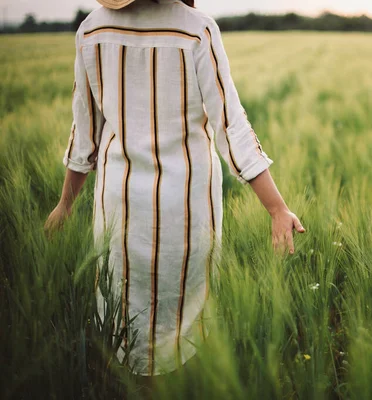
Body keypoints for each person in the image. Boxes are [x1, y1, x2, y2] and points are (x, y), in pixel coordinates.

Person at [44, 0, 305, 381]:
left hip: (119, 209)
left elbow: (85, 134)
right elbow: (232, 127)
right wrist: (277, 208)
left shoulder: (91, 30)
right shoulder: (196, 29)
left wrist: (65, 205)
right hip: (184, 211)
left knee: (124, 314)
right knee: (183, 321)